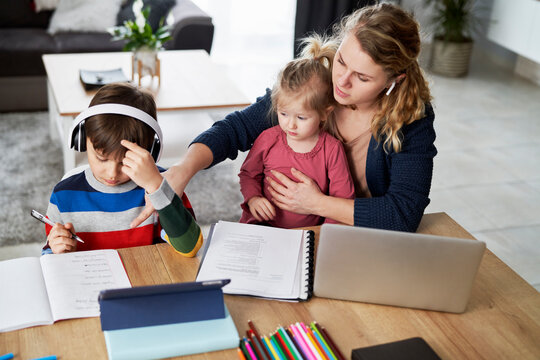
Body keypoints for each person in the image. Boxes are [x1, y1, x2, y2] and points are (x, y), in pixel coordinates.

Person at [131, 3, 437, 233]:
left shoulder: (411, 118)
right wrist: (185, 168)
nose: (341, 82)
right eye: (342, 61)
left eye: (362, 77)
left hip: (355, 239)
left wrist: (315, 203)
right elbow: (237, 127)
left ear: (393, 79)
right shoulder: (316, 82)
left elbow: (403, 214)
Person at [42, 83, 203, 255]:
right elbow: (50, 255)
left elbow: (189, 247)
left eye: (125, 162)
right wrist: (57, 250)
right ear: (82, 139)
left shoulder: (164, 186)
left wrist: (157, 189)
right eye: (102, 158)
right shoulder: (63, 195)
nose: (112, 173)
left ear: (150, 151)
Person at [238, 36, 355, 228]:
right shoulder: (268, 139)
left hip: (306, 235)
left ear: (325, 114)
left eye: (301, 118)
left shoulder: (332, 150)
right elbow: (248, 174)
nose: (290, 125)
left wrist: (322, 235)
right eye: (283, 114)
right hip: (261, 228)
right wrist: (253, 199)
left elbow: (341, 199)